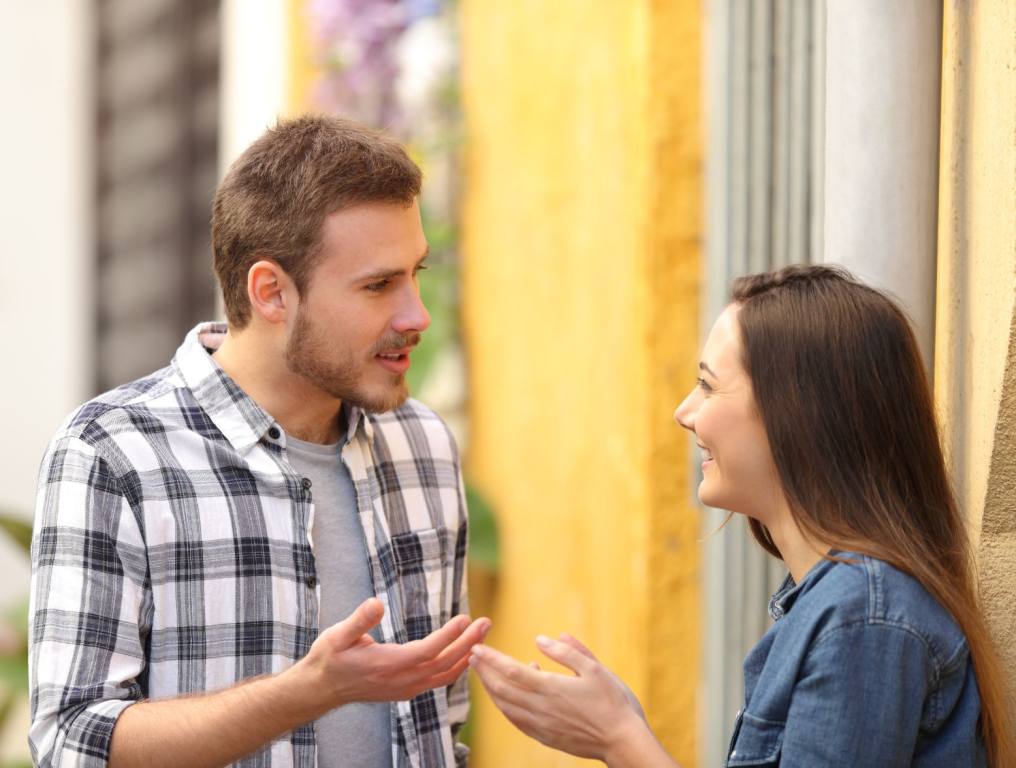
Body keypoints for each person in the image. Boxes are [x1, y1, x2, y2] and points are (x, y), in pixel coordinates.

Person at [29, 115, 490, 768]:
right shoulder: (112, 455)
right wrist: (306, 693)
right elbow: (73, 741)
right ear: (272, 292)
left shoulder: (423, 448)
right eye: (378, 285)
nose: (417, 315)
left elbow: (440, 727)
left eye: (416, 273)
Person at [469, 265, 1013, 766]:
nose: (685, 412)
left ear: (795, 413)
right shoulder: (838, 602)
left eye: (708, 385)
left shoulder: (862, 617)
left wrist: (621, 740)